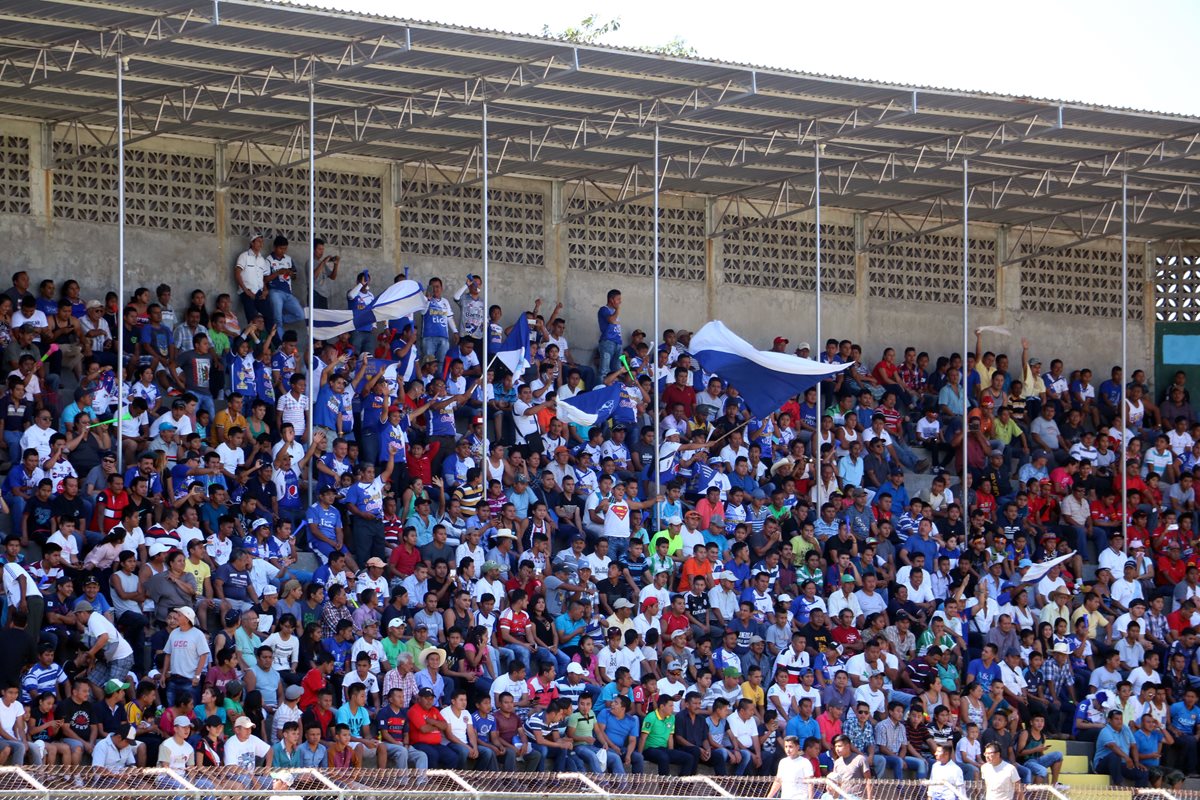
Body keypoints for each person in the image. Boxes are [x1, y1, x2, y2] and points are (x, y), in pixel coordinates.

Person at [768, 735, 814, 800]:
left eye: (790, 746)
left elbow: (810, 783)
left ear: (797, 747)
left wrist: (810, 798)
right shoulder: (783, 762)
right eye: (786, 746)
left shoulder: (805, 762)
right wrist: (768, 797)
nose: (788, 749)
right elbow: (778, 781)